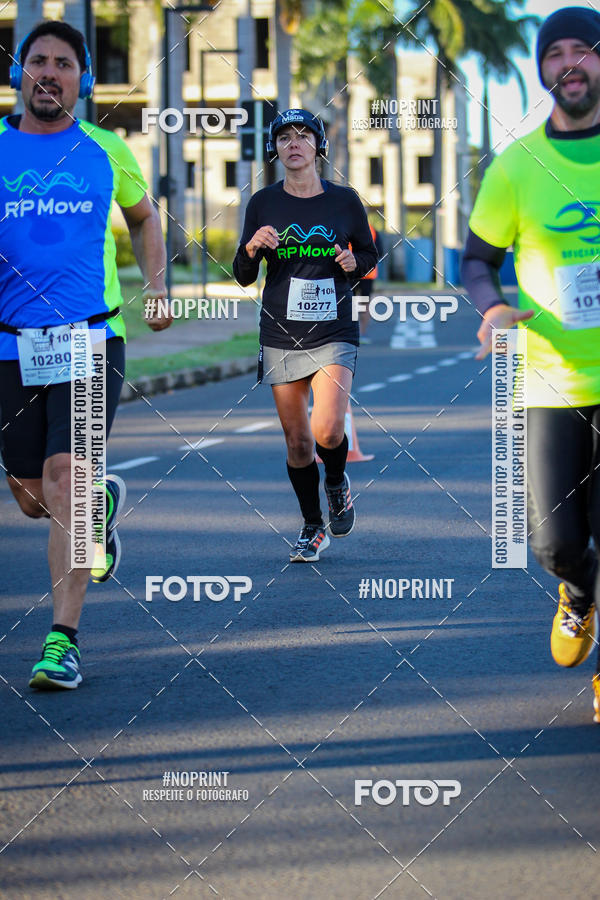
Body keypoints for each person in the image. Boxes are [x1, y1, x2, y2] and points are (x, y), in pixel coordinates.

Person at [0, 20, 171, 690]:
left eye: (64, 63)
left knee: (66, 474)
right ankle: (95, 507)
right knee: (31, 497)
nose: (49, 72)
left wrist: (158, 289)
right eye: (37, 60)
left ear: (83, 78)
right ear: (19, 73)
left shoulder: (106, 150)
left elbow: (145, 217)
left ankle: (61, 640)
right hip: (10, 345)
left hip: (90, 339)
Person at [461, 6, 600, 721]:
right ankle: (578, 593)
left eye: (585, 50)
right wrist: (490, 308)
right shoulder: (517, 166)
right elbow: (478, 260)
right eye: (557, 54)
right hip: (549, 382)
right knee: (554, 541)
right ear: (543, 69)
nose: (570, 63)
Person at [233, 108, 377, 561]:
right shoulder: (262, 202)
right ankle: (312, 526)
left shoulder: (344, 200)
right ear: (275, 149)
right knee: (297, 442)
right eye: (284, 138)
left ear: (318, 146)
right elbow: (241, 274)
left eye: (303, 136)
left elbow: (371, 255)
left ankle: (335, 481)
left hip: (334, 328)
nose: (293, 143)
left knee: (328, 428)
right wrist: (253, 247)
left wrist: (357, 264)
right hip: (279, 331)